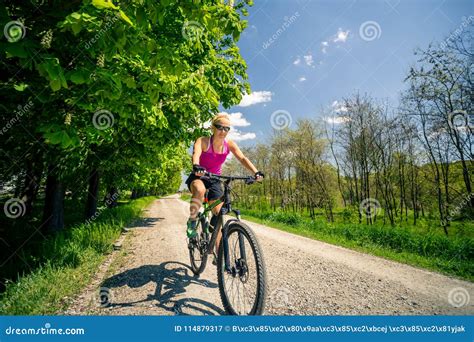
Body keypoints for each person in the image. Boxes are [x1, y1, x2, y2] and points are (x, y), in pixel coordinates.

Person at [185, 113, 264, 248]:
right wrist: (196, 165)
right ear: (212, 128)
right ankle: (192, 221)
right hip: (199, 176)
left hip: (215, 179)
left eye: (227, 128)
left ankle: (219, 254)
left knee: (219, 214)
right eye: (220, 127)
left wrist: (256, 172)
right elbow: (196, 153)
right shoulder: (203, 140)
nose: (223, 131)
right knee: (200, 189)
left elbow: (242, 158)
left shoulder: (229, 144)